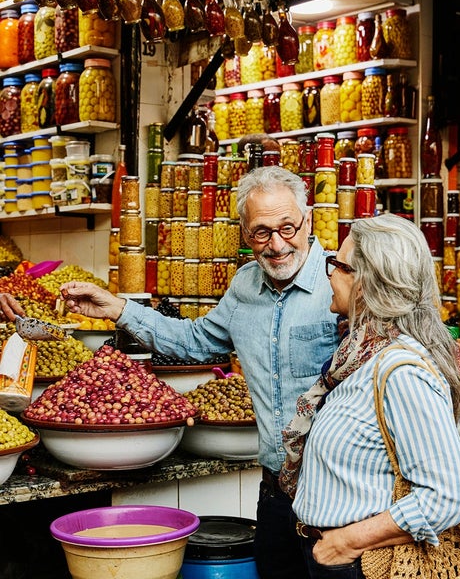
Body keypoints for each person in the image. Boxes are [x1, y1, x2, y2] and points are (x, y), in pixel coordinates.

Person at [59, 165, 341, 579]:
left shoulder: (343, 282)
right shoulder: (245, 286)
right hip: (277, 488)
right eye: (262, 232)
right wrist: (118, 309)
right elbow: (194, 341)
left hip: (339, 491)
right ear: (244, 234)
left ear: (308, 221)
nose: (278, 244)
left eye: (288, 227)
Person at [278, 214, 460, 579]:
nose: (328, 273)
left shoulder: (400, 372)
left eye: (337, 264)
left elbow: (448, 495)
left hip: (362, 565)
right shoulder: (358, 357)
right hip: (331, 556)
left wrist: (346, 543)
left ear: (366, 284)